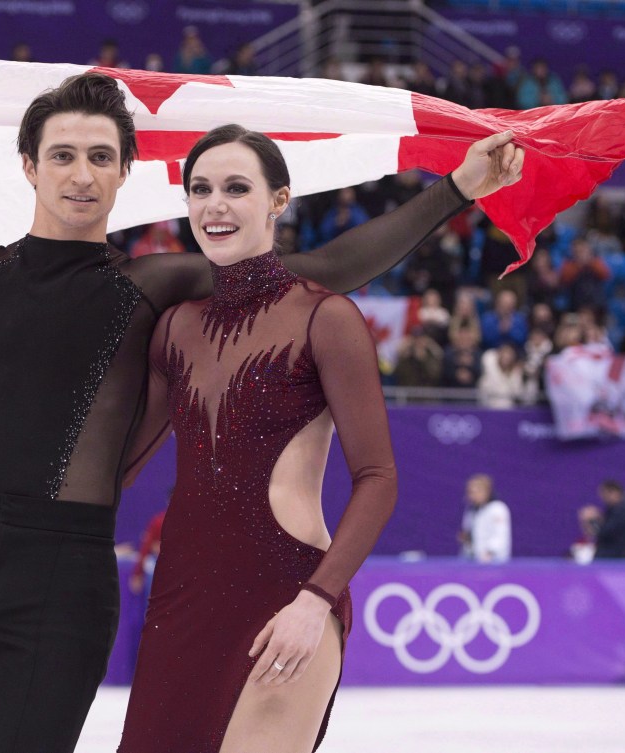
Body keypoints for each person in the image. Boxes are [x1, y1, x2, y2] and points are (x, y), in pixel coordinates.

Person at [0, 72, 521, 753]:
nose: (81, 174)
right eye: (63, 155)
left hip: (64, 584)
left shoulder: (152, 286)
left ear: (125, 172)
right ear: (29, 167)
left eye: (100, 157)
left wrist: (454, 188)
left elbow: (323, 268)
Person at [115, 125, 397, 752]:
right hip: (180, 602)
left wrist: (315, 601)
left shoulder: (327, 318)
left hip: (286, 595)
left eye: (237, 188)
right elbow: (117, 466)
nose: (215, 204)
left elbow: (378, 480)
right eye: (201, 189)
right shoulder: (174, 330)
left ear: (279, 199)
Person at [579, 480, 625, 559]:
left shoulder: (623, 509)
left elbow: (603, 532)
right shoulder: (623, 506)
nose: (603, 499)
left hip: (617, 556)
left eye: (605, 495)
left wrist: (592, 520)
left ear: (614, 492)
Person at [457, 473, 511, 563]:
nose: (472, 496)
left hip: (494, 561)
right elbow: (471, 535)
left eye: (476, 492)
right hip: (475, 560)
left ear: (487, 491)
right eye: (470, 492)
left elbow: (500, 535)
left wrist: (490, 552)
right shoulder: (471, 511)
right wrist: (466, 538)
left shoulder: (498, 509)